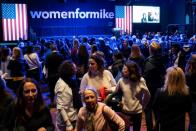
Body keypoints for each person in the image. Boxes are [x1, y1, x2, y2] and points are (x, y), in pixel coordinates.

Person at [115, 60, 150, 131]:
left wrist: (143, 105)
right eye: (123, 68)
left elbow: (147, 95)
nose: (123, 70)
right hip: (125, 111)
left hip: (137, 112)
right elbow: (115, 91)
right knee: (125, 129)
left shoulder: (140, 80)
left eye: (125, 69)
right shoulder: (121, 80)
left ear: (132, 70)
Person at [153, 66, 192, 131]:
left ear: (168, 78)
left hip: (164, 125)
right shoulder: (186, 93)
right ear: (182, 78)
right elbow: (189, 108)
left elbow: (155, 107)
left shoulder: (160, 92)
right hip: (179, 125)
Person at [55, 60, 82, 131]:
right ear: (69, 71)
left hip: (73, 116)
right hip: (69, 120)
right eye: (74, 69)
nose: (76, 70)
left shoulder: (68, 80)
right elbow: (61, 107)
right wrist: (68, 124)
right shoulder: (63, 86)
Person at [185, 53, 196, 131]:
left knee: (193, 123)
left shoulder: (187, 74)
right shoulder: (188, 75)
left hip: (191, 100)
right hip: (193, 100)